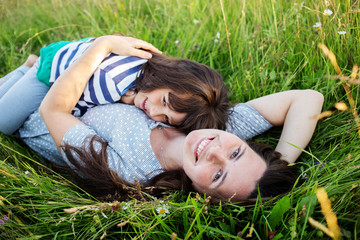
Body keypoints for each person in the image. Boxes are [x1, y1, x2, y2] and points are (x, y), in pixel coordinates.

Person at [7, 36, 324, 201]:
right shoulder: (222, 129)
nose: (214, 153)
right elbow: (308, 98)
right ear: (247, 143)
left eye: (217, 176)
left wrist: (101, 47)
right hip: (66, 81)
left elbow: (53, 112)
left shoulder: (131, 170)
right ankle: (30, 67)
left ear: (202, 196)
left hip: (33, 112)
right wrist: (281, 161)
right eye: (237, 153)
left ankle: (27, 69)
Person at [0, 36, 229, 135]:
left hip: (74, 52)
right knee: (4, 121)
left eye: (167, 119)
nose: (154, 112)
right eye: (165, 101)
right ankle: (28, 67)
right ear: (172, 77)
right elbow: (67, 107)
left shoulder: (148, 71)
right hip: (53, 69)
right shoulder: (111, 83)